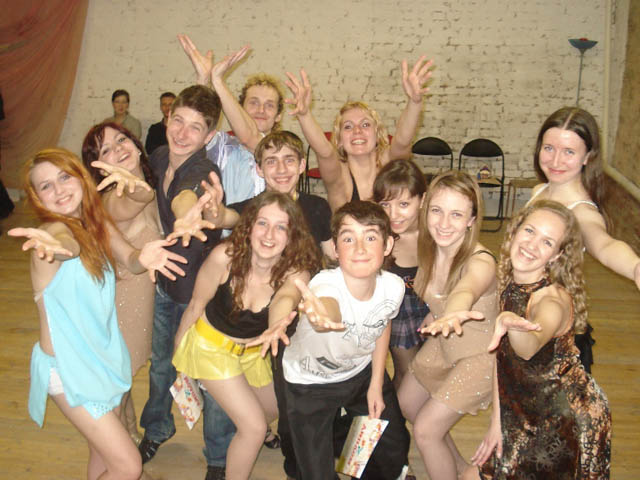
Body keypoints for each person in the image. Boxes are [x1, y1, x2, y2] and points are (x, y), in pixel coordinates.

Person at [9, 148, 186, 480]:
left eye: (64, 177)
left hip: (103, 358)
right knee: (129, 465)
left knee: (103, 457)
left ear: (80, 177)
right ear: (36, 197)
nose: (59, 190)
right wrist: (56, 247)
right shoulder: (54, 237)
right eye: (46, 186)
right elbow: (67, 246)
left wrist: (143, 258)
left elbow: (129, 258)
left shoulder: (95, 221)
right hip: (68, 369)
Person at [173, 191, 321, 479]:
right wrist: (178, 352)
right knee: (253, 428)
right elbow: (196, 304)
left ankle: (249, 429)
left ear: (292, 236)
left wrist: (277, 324)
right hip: (211, 348)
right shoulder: (224, 258)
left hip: (253, 353)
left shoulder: (296, 272)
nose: (269, 234)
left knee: (278, 408)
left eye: (281, 227)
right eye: (262, 223)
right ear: (249, 226)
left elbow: (285, 299)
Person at [464, 200, 611, 479]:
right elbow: (503, 361)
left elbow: (529, 346)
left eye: (547, 242)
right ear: (515, 230)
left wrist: (512, 324)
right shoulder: (513, 282)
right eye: (530, 231)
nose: (532, 245)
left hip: (564, 418)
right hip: (525, 408)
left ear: (557, 255)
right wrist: (497, 420)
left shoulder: (551, 301)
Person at [137, 84, 237, 479]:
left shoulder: (203, 171)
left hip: (203, 293)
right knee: (161, 366)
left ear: (209, 136)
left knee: (212, 378)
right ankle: (157, 428)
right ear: (167, 118)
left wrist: (186, 215)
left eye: (195, 127)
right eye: (178, 120)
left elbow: (186, 197)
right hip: (166, 283)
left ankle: (219, 457)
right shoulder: (160, 157)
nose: (182, 133)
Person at [282, 200, 411, 480]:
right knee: (315, 474)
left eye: (371, 237)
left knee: (394, 449)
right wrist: (320, 314)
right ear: (335, 248)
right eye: (348, 238)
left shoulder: (393, 287)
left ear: (388, 245)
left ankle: (335, 438)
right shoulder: (324, 284)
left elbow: (382, 324)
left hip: (360, 374)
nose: (360, 248)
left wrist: (376, 383)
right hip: (310, 384)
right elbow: (328, 304)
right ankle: (306, 441)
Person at [397, 171, 498, 480]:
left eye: (456, 214)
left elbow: (466, 289)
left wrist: (453, 311)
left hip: (479, 357)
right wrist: (436, 314)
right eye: (437, 210)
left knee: (426, 431)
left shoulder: (480, 261)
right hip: (445, 344)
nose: (443, 223)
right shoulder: (430, 249)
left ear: (471, 220)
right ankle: (461, 469)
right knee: (407, 403)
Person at [527, 106, 640, 371]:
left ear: (588, 156)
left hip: (553, 331)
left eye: (569, 152)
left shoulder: (581, 210)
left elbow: (604, 244)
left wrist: (635, 266)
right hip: (525, 312)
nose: (556, 161)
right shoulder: (539, 191)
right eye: (549, 148)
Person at [82, 122, 162, 445]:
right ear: (99, 167)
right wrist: (135, 186)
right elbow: (138, 196)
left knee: (122, 383)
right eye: (106, 150)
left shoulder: (148, 182)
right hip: (125, 308)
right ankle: (115, 455)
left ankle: (129, 439)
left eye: (121, 140)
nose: (118, 149)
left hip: (135, 304)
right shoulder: (113, 199)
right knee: (117, 387)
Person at [284, 56, 432, 211]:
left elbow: (402, 142)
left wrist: (414, 102)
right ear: (340, 140)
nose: (357, 131)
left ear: (377, 134)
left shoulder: (388, 164)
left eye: (365, 124)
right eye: (348, 127)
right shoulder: (339, 175)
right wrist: (304, 115)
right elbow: (324, 153)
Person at [372, 159, 429, 389]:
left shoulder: (436, 233)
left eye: (404, 204)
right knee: (407, 374)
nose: (393, 214)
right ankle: (395, 409)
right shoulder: (378, 237)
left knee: (431, 373)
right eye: (385, 204)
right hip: (398, 313)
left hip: (433, 308)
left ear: (422, 199)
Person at [178, 35, 285, 152]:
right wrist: (203, 80)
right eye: (254, 103)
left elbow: (250, 139)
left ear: (278, 115)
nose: (261, 110)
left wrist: (217, 80)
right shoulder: (223, 143)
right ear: (241, 108)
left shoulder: (285, 148)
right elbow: (196, 131)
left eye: (269, 105)